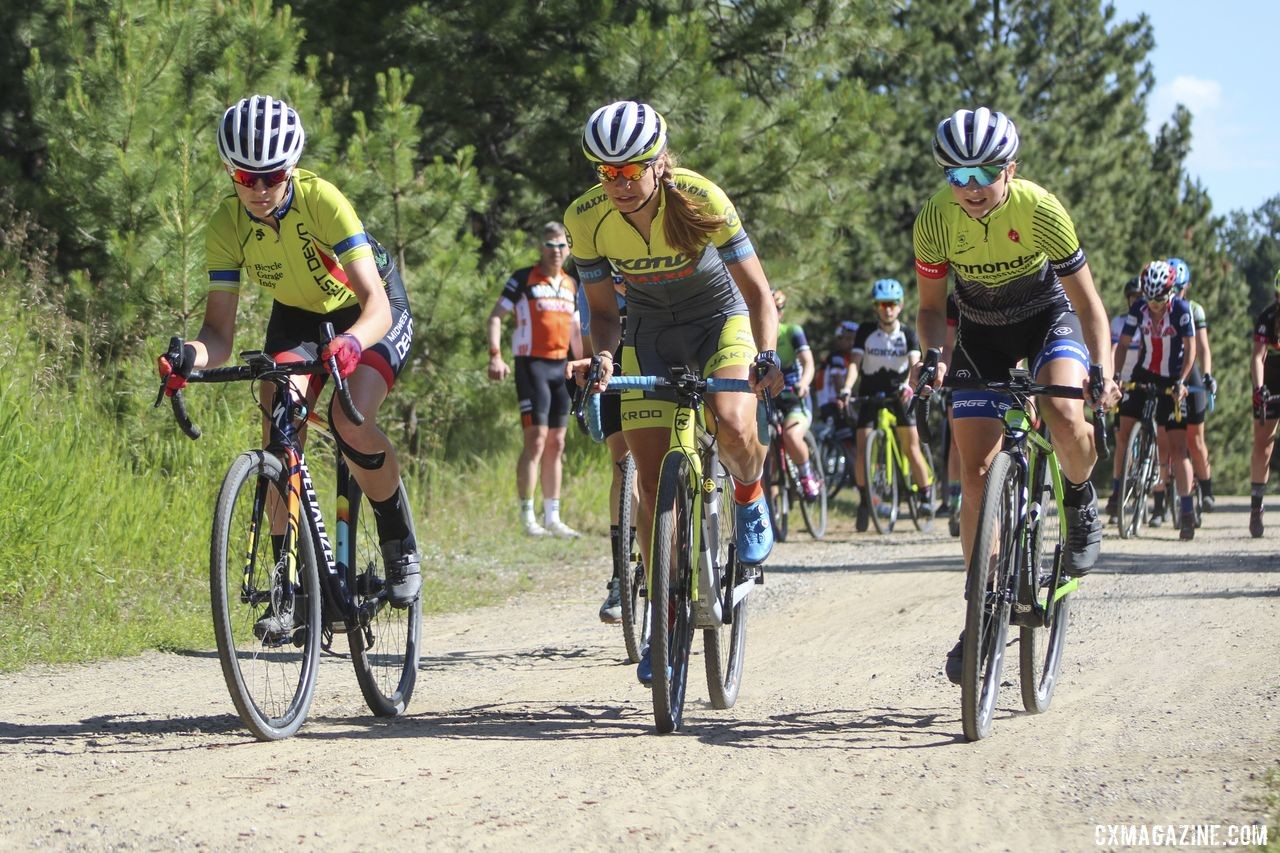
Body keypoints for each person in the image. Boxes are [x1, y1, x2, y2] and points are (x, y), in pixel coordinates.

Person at [157, 95, 420, 620]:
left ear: (291, 167)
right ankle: (288, 585)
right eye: (243, 177)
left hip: (368, 313)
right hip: (299, 318)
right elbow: (218, 333)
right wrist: (189, 355)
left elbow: (375, 304)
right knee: (279, 424)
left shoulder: (324, 201)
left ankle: (398, 541)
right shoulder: (226, 225)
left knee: (349, 418)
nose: (257, 189)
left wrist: (350, 344)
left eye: (270, 176)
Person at [565, 100, 784, 685]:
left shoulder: (702, 197)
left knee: (735, 424)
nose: (619, 184)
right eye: (606, 173)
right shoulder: (585, 218)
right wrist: (605, 357)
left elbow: (759, 294)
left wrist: (765, 356)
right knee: (649, 474)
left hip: (719, 317)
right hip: (649, 330)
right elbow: (605, 313)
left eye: (630, 171)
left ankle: (749, 491)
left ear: (659, 164)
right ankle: (664, 619)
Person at [912, 107, 1119, 684]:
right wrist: (932, 357)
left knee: (1059, 409)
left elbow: (1089, 306)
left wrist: (1100, 368)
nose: (972, 188)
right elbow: (931, 311)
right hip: (980, 332)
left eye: (985, 173)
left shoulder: (1040, 209)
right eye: (958, 176)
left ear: (1011, 169)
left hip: (1049, 318)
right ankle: (981, 611)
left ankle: (1079, 496)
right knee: (974, 476)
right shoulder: (934, 220)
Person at [486, 222, 585, 538]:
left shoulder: (571, 284)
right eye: (550, 245)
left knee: (558, 442)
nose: (556, 252)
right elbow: (495, 317)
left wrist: (583, 363)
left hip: (562, 368)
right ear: (540, 247)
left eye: (561, 246)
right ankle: (528, 516)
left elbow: (575, 329)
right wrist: (495, 355)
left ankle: (553, 516)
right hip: (532, 365)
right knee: (537, 439)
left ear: (569, 249)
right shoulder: (523, 278)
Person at [1112, 260, 1198, 540]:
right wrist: (1117, 376)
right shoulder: (1139, 308)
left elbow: (1191, 348)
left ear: (1170, 292)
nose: (1155, 304)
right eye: (1150, 298)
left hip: (1172, 378)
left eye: (1159, 298)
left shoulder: (1182, 311)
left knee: (1178, 446)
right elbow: (1124, 344)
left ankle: (1186, 511)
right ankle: (1122, 487)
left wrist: (1182, 382)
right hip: (1144, 372)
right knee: (1124, 428)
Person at [840, 278, 932, 531]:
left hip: (899, 393)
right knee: (862, 447)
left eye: (892, 304)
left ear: (900, 306)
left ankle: (924, 493)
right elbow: (855, 364)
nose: (887, 309)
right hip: (870, 392)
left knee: (911, 446)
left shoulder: (908, 333)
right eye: (882, 304)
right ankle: (863, 500)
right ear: (875, 307)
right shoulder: (866, 331)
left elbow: (915, 362)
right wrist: (847, 388)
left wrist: (907, 385)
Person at [571, 272, 634, 622]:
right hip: (617, 361)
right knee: (622, 463)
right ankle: (620, 576)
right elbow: (586, 348)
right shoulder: (592, 283)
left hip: (663, 350)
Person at [1168, 257, 1216, 512]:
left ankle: (1206, 488)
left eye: (1179, 288)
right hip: (1166, 372)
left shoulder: (1194, 309)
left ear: (1185, 287)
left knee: (1196, 440)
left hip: (1190, 369)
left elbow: (1203, 348)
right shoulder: (1161, 309)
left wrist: (1207, 375)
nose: (1174, 293)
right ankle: (1161, 495)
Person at [770, 289, 822, 500]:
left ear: (781, 313)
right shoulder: (750, 335)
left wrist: (803, 383)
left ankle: (806, 474)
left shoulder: (791, 331)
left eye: (777, 310)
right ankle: (768, 494)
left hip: (794, 397)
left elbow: (808, 362)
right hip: (767, 398)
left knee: (791, 435)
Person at [1104, 275, 1144, 521]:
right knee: (1121, 439)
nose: (1136, 301)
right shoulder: (1119, 323)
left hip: (1145, 381)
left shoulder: (1149, 321)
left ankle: (1158, 495)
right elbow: (1112, 349)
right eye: (1133, 297)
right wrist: (1111, 376)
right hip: (1123, 383)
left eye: (1140, 297)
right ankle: (1118, 489)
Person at [1248, 269, 1280, 537]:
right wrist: (1259, 389)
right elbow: (1258, 357)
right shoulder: (1267, 317)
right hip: (1271, 377)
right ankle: (1256, 508)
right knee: (1263, 445)